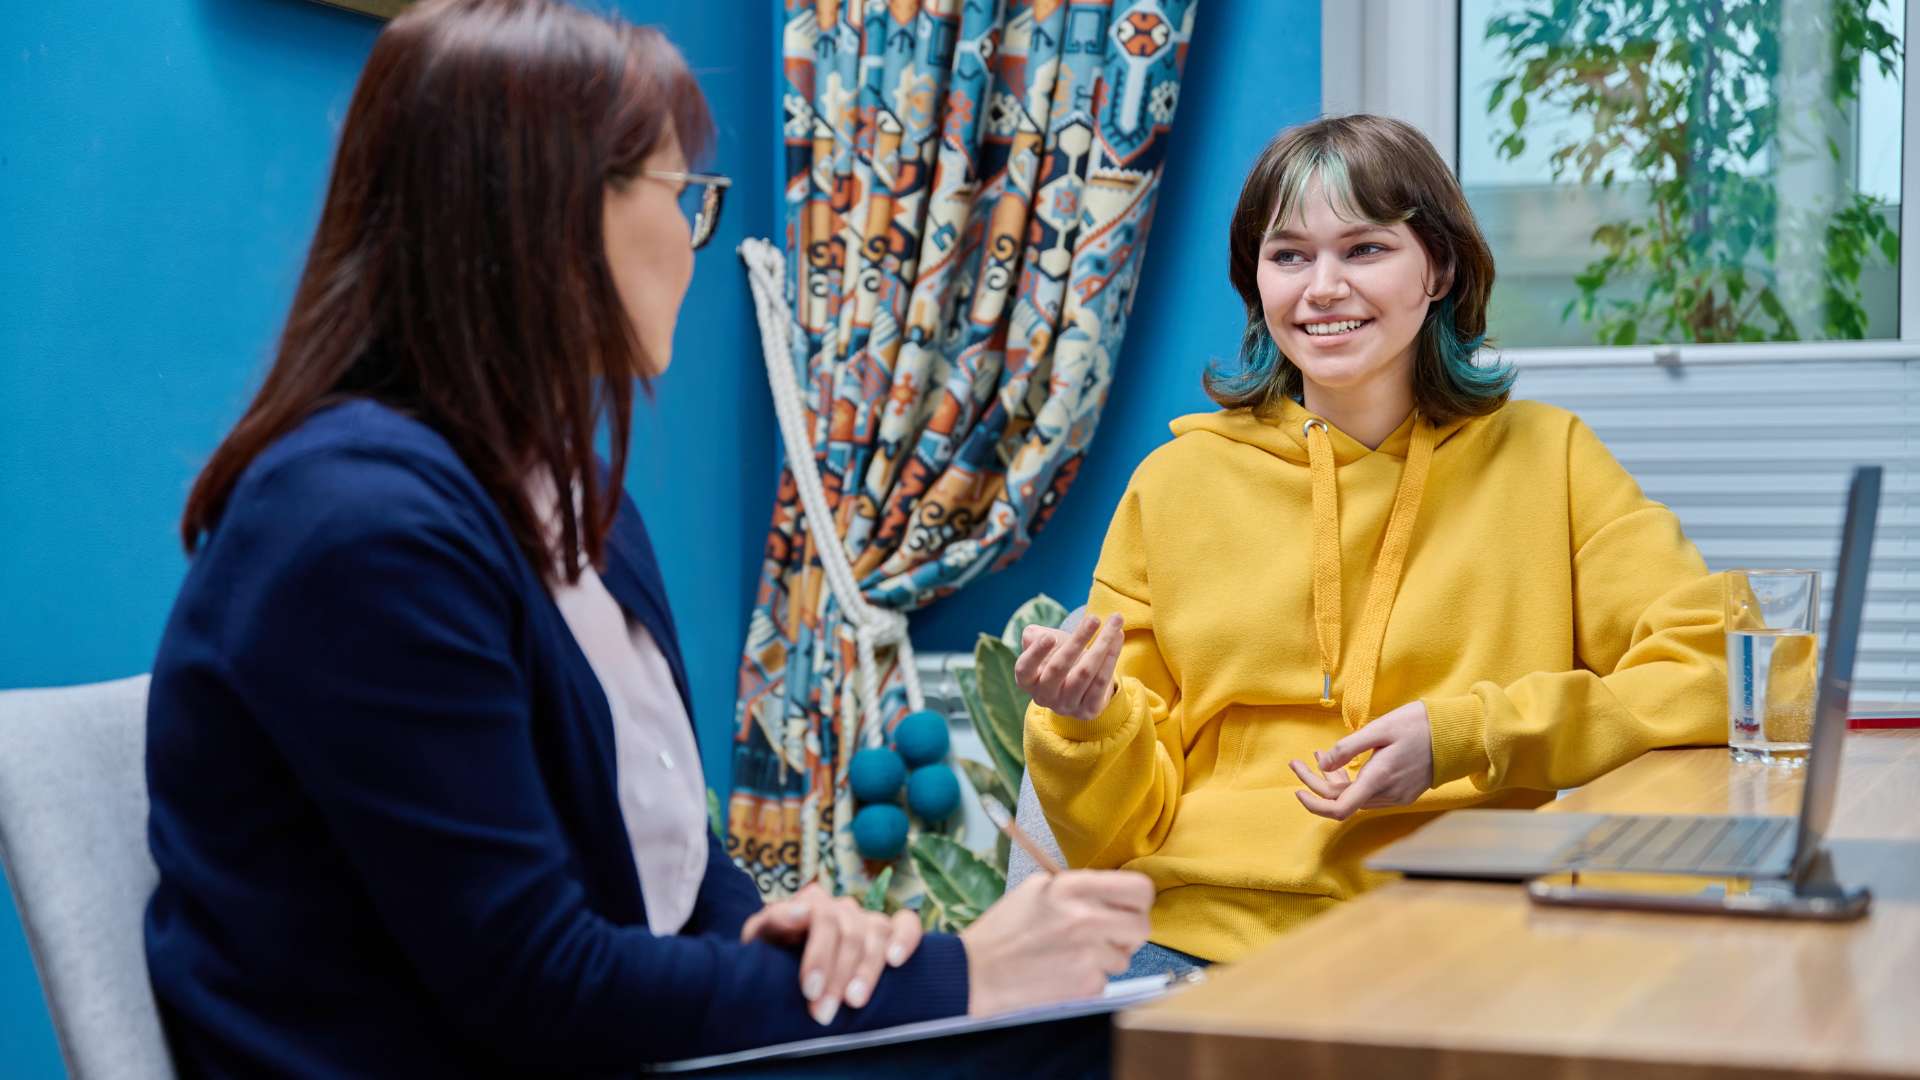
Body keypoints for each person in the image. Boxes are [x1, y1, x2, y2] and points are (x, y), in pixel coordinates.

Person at [143, 1, 1150, 1074]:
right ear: (550, 219)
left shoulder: (578, 506)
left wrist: (794, 939)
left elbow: (670, 879)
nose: (691, 236)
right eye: (681, 196)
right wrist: (964, 976)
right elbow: (540, 989)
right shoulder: (356, 531)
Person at [1015, 114, 1727, 976]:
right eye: (1289, 256)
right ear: (1257, 284)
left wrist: (1466, 735)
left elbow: (1725, 672)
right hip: (1196, 948)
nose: (1322, 288)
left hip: (1458, 951)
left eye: (1363, 249)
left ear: (1439, 268)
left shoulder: (1550, 459)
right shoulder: (1174, 485)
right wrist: (1087, 728)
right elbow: (1115, 836)